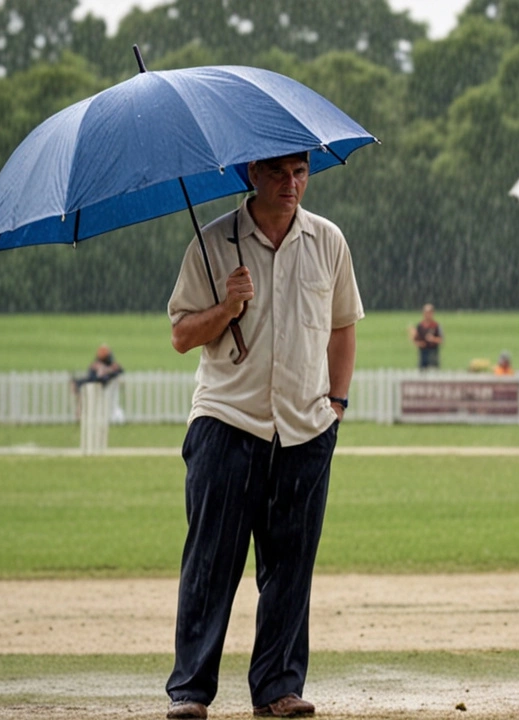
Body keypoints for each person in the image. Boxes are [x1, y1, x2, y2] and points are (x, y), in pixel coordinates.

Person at [164, 151, 363, 720]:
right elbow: (181, 336)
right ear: (251, 174)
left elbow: (343, 325)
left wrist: (337, 405)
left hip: (306, 428)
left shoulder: (328, 240)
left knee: (290, 567)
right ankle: (191, 692)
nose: (292, 183)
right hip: (228, 423)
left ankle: (278, 687)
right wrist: (228, 306)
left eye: (300, 171)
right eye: (278, 172)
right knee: (211, 563)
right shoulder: (212, 243)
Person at [410, 303, 442, 370]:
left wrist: (433, 339)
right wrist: (413, 335)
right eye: (426, 312)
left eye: (429, 313)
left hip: (433, 353)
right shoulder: (420, 325)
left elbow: (441, 340)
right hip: (423, 354)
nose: (427, 315)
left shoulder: (436, 326)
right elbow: (415, 340)